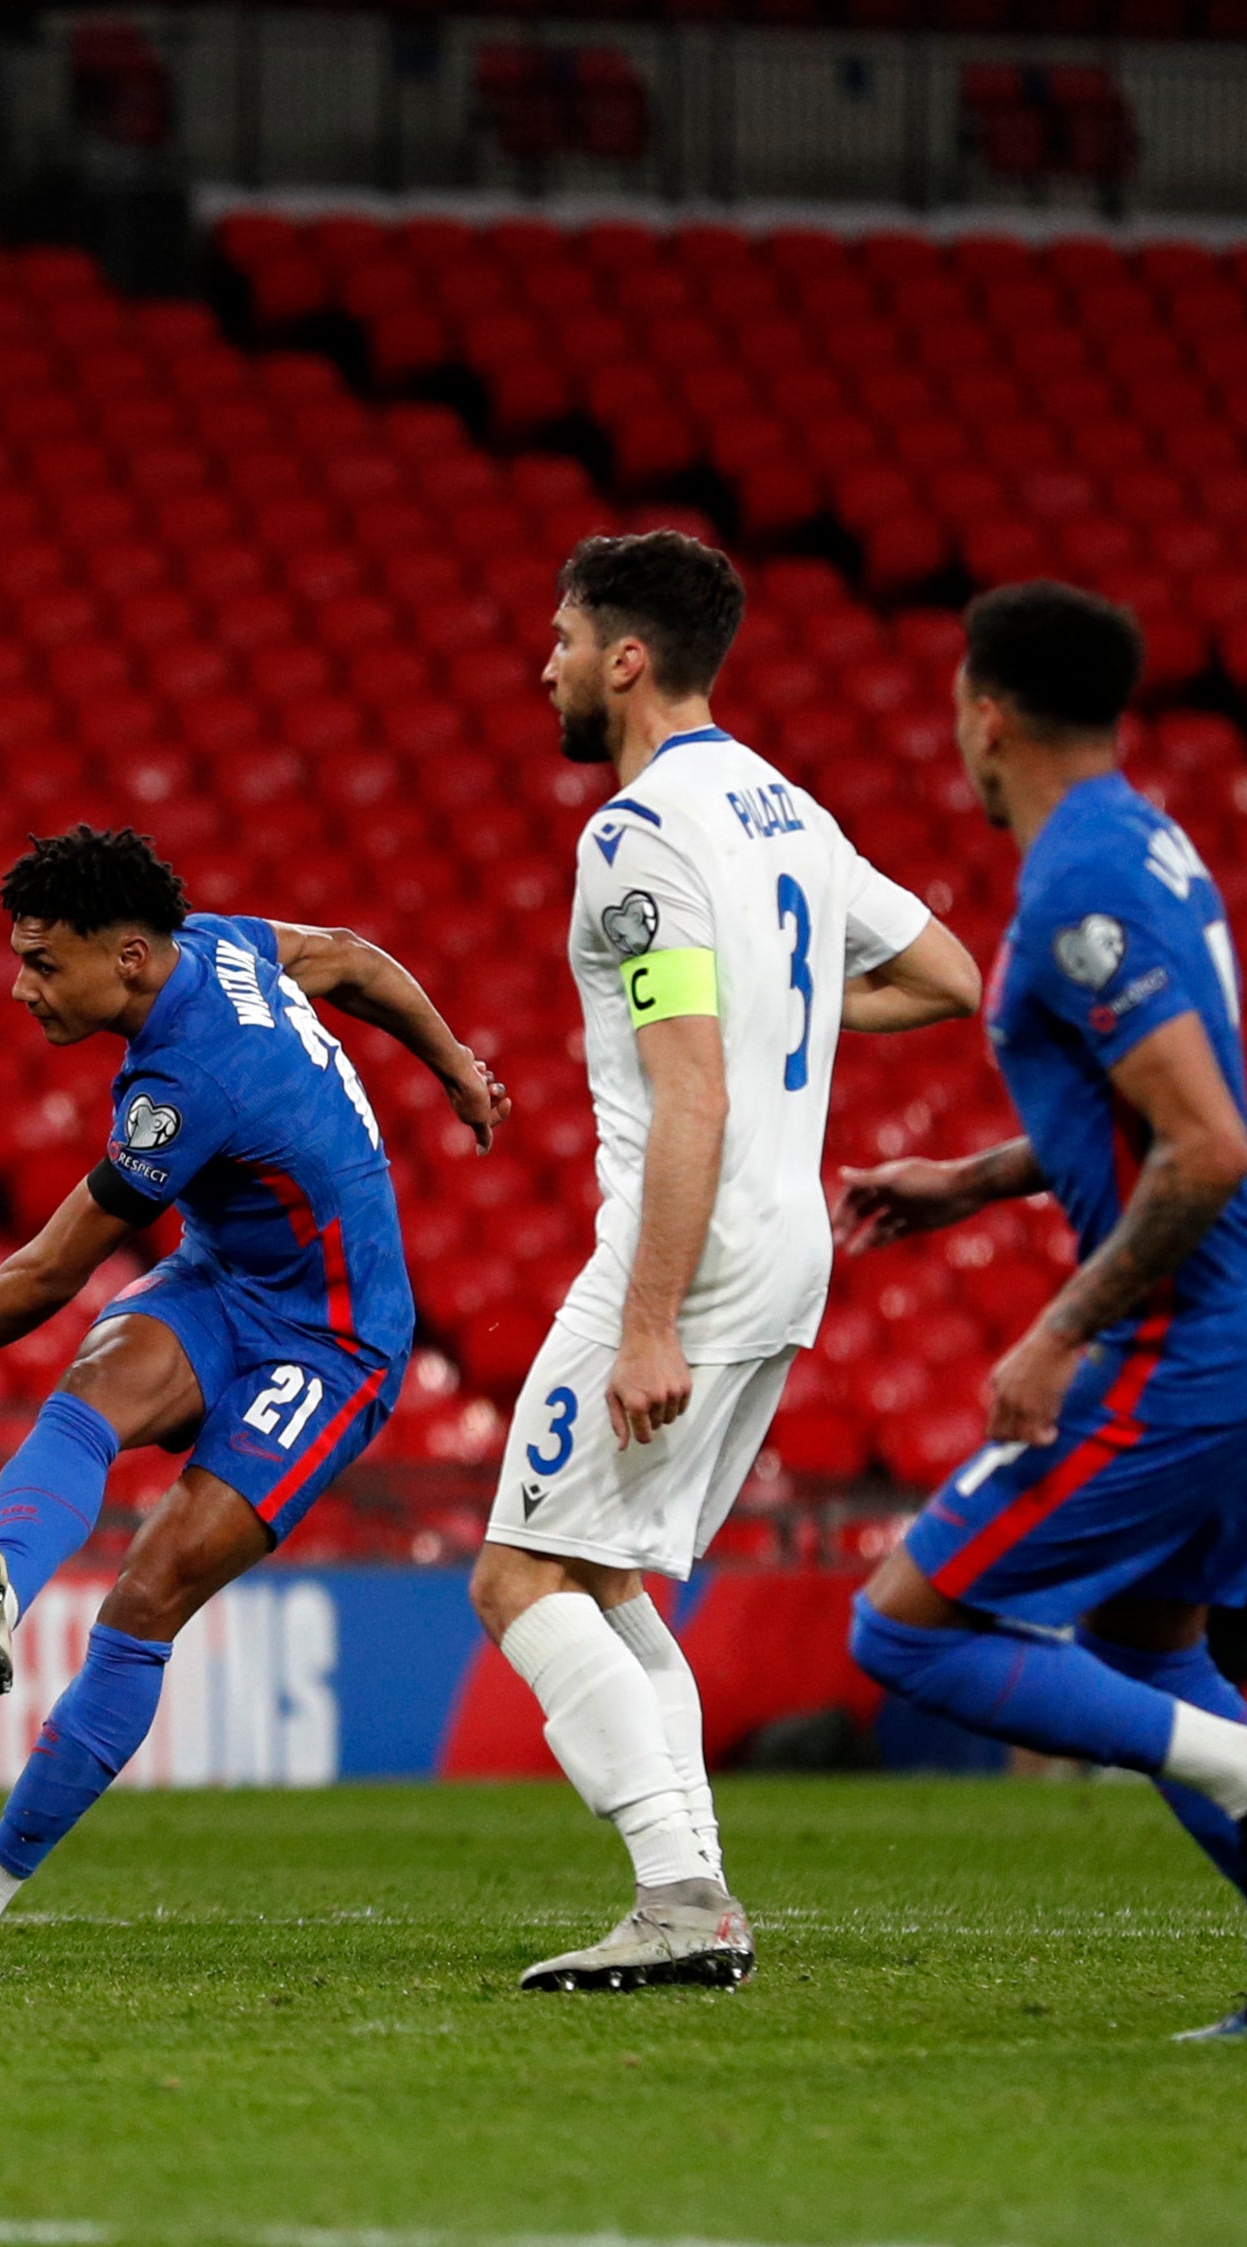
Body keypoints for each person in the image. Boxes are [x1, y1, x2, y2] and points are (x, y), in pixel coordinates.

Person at [472, 531, 981, 1994]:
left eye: (564, 638)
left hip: (684, 1249)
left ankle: (681, 1892)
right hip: (785, 1240)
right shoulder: (785, 809)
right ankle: (691, 1888)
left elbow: (687, 1085)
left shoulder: (636, 835)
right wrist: (787, 1005)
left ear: (626, 659)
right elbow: (948, 976)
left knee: (517, 1576)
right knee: (613, 1580)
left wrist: (644, 1321)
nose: (547, 664)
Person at [0, 825, 507, 1948]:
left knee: (145, 1597)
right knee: (92, 1392)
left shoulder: (187, 1082)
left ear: (132, 959)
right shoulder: (223, 944)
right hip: (225, 1275)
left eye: (45, 963)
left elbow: (53, 1266)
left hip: (331, 1341)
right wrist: (454, 1069)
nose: (20, 987)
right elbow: (347, 955)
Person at [834, 582, 1247, 2041]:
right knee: (1149, 1644)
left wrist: (1059, 1328)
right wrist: (979, 1176)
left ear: (985, 712)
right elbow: (1161, 1106)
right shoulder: (1144, 837)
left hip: (1178, 1344)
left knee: (902, 1630)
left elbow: (1205, 1141)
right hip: (1222, 1327)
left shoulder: (1083, 877)